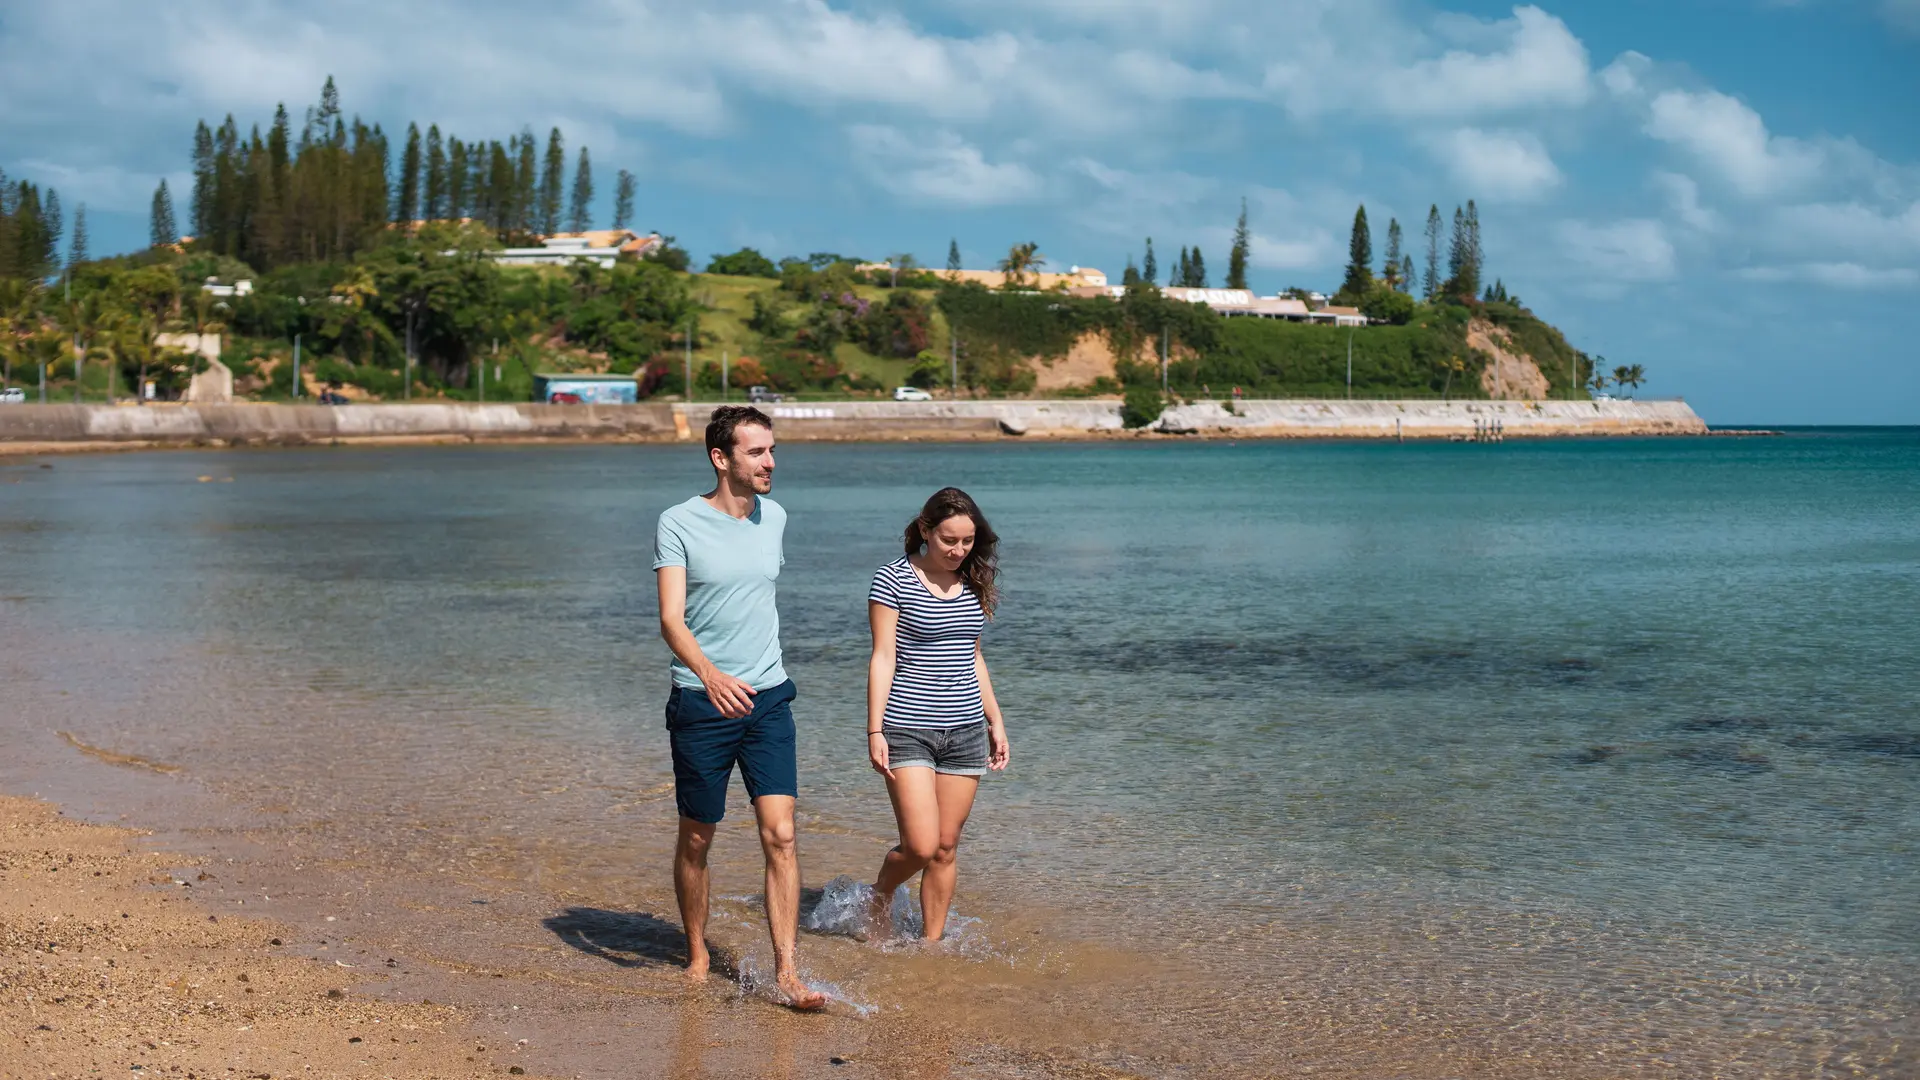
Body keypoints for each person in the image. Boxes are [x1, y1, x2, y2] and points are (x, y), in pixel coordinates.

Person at [653, 404, 825, 1010]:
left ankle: (786, 972)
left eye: (772, 450)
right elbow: (671, 620)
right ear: (720, 458)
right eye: (756, 452)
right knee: (698, 838)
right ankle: (698, 951)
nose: (771, 461)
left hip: (770, 698)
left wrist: (750, 680)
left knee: (780, 834)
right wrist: (710, 674)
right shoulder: (677, 522)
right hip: (702, 702)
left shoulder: (774, 516)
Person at [863, 487, 1011, 942]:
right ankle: (880, 896)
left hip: (965, 730)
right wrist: (874, 729)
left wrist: (995, 721)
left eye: (967, 541)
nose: (959, 550)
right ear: (926, 530)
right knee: (920, 846)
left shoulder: (972, 581)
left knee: (945, 848)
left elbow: (973, 655)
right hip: (908, 729)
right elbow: (882, 656)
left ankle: (931, 947)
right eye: (949, 540)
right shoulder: (892, 580)